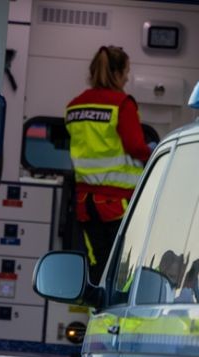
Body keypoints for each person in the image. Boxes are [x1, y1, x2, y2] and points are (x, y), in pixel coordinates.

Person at [65, 45, 152, 284]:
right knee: (123, 267)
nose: (127, 77)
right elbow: (135, 147)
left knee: (98, 264)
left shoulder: (75, 106)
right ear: (117, 73)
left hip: (85, 204)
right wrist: (153, 153)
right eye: (126, 71)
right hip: (117, 204)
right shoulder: (121, 104)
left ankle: (97, 312)